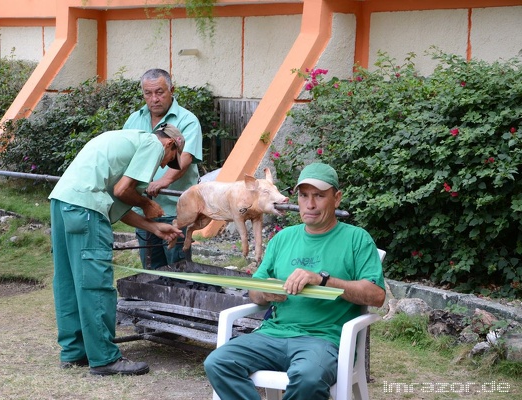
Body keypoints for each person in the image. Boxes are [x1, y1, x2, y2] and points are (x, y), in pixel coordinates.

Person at [204, 163, 386, 399]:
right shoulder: (283, 238)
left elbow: (376, 295)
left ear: (337, 198)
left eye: (319, 196)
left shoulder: (356, 239)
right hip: (273, 335)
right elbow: (255, 292)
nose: (310, 204)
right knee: (218, 362)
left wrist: (323, 280)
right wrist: (265, 292)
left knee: (308, 378)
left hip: (323, 340)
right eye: (303, 196)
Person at [48, 125, 185, 376]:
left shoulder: (125, 140)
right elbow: (124, 191)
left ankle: (74, 352)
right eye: (169, 161)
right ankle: (104, 359)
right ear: (170, 145)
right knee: (94, 283)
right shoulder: (153, 145)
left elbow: (116, 204)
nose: (164, 166)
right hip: (86, 209)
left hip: (62, 202)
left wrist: (153, 228)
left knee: (68, 280)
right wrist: (148, 204)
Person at [123, 68, 203, 269]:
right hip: (142, 207)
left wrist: (162, 182)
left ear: (171, 90)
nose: (154, 99)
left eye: (159, 92)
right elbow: (125, 156)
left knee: (178, 270)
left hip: (175, 210)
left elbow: (185, 158)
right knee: (150, 269)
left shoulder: (187, 121)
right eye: (148, 93)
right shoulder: (134, 119)